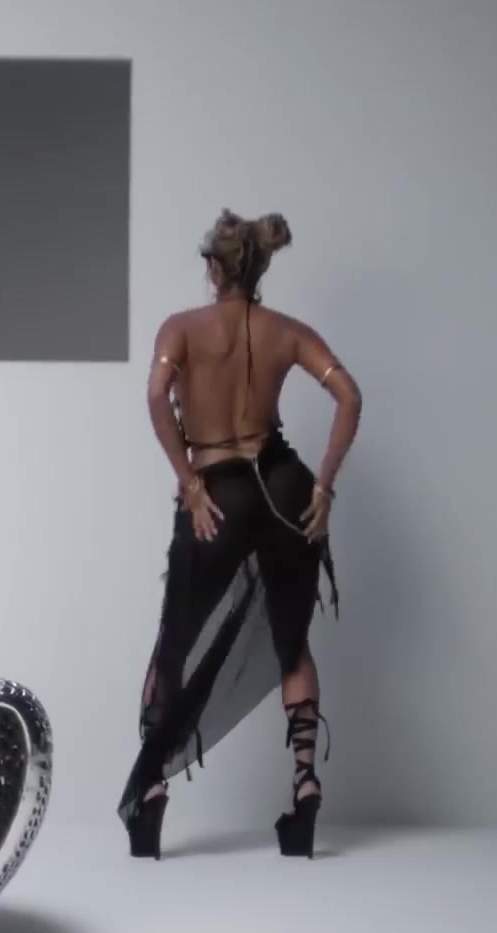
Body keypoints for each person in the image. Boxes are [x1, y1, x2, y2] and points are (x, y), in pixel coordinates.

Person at [119, 210, 363, 860]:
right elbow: (349, 394)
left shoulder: (181, 329)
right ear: (257, 269)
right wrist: (323, 486)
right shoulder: (286, 332)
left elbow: (156, 395)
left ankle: (150, 791)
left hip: (219, 492)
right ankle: (305, 785)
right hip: (284, 487)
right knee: (292, 645)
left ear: (212, 268)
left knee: (175, 644)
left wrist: (190, 483)